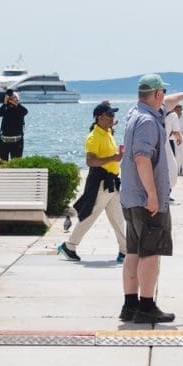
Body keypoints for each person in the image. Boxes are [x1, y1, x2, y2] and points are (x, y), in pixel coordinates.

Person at [119, 74, 183, 325]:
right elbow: (142, 158)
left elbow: (168, 103)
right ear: (156, 94)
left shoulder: (136, 113)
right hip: (146, 201)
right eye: (162, 92)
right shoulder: (148, 122)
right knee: (150, 254)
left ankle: (130, 305)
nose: (164, 97)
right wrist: (153, 196)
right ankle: (146, 306)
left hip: (131, 198)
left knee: (133, 251)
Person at [58, 101, 126, 263]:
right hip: (101, 182)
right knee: (89, 217)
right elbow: (90, 161)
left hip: (112, 182)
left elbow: (110, 130)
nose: (112, 117)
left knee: (118, 218)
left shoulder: (107, 132)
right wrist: (114, 158)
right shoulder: (93, 137)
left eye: (113, 114)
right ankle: (69, 246)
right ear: (99, 117)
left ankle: (125, 251)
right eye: (109, 114)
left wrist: (112, 125)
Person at [0, 89, 28, 160]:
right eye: (10, 98)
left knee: (16, 164)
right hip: (4, 141)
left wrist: (16, 104)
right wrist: (4, 104)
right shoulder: (5, 108)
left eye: (14, 98)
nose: (11, 100)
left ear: (17, 100)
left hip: (17, 141)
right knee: (2, 163)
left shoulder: (19, 109)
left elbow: (25, 112)